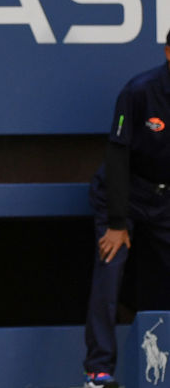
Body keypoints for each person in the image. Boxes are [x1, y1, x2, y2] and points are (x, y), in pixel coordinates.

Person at [82, 29, 170, 388]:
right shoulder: (139, 91)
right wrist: (117, 222)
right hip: (124, 197)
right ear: (167, 52)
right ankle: (98, 371)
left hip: (166, 201)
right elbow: (117, 156)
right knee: (110, 267)